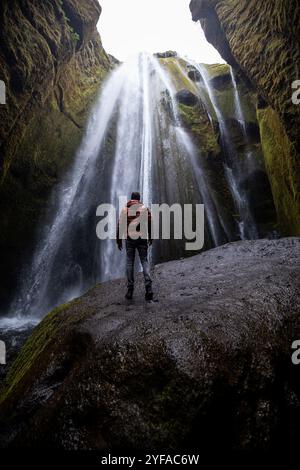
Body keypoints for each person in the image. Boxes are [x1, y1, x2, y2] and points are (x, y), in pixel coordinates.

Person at [117, 192, 153, 301]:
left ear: (131, 199)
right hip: (142, 238)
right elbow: (151, 223)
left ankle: (130, 290)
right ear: (139, 199)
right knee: (144, 261)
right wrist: (151, 237)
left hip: (130, 239)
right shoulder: (145, 209)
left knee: (129, 262)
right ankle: (149, 288)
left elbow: (120, 225)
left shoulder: (125, 209)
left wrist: (118, 240)